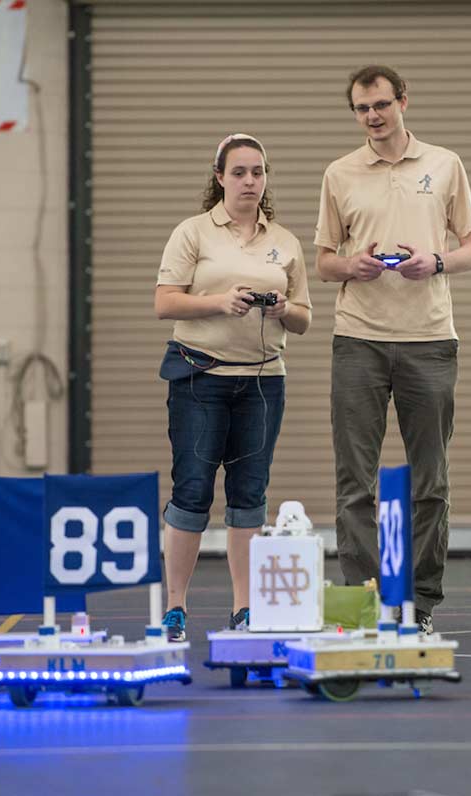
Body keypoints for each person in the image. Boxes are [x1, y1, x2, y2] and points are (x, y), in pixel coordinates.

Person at [314, 65, 471, 634]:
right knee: (354, 481)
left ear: (404, 101)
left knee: (429, 481)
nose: (373, 116)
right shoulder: (339, 174)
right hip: (358, 338)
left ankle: (420, 605)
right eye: (362, 109)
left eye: (382, 105)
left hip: (430, 341)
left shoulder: (445, 165)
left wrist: (434, 262)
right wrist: (351, 265)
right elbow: (323, 263)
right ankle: (366, 605)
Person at [154, 133, 312, 642]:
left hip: (264, 381)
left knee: (248, 497)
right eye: (239, 172)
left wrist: (284, 309)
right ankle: (175, 607)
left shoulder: (284, 242)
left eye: (258, 172)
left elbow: (306, 318)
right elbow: (165, 303)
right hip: (201, 376)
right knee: (194, 490)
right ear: (219, 176)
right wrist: (221, 302)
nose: (249, 181)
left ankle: (246, 608)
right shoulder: (193, 233)